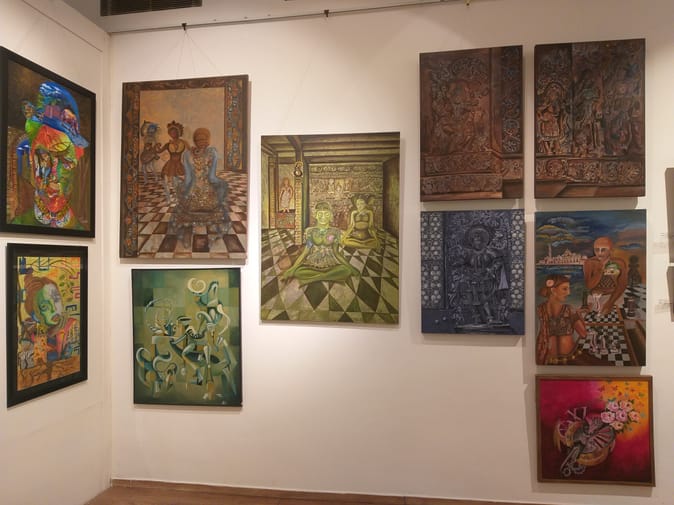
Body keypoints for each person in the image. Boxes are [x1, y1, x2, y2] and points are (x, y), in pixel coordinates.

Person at [13, 82, 89, 229]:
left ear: (76, 163)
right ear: (31, 160)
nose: (53, 176)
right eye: (43, 159)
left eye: (64, 161)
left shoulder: (79, 229)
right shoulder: (19, 224)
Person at [282, 201, 359, 285]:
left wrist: (351, 268)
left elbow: (336, 253)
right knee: (298, 272)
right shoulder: (310, 231)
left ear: (330, 216)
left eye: (326, 214)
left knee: (346, 270)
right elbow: (305, 253)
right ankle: (327, 276)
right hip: (312, 265)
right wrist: (292, 269)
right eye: (320, 214)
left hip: (331, 265)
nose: (323, 217)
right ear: (315, 215)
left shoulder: (335, 232)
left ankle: (317, 277)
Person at [19, 273, 79, 368]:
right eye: (45, 306)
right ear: (35, 315)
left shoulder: (71, 326)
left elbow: (72, 365)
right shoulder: (30, 329)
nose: (54, 309)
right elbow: (27, 367)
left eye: (56, 299)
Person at [536, 274, 587, 365]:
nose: (568, 293)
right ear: (553, 290)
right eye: (564, 289)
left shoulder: (540, 309)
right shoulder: (569, 310)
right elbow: (583, 334)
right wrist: (578, 314)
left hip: (548, 359)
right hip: (570, 358)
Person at [582, 236, 627, 315]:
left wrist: (610, 303)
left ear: (611, 250)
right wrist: (600, 269)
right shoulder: (589, 263)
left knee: (618, 317)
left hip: (614, 296)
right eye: (597, 250)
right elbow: (589, 286)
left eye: (603, 250)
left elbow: (622, 286)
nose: (599, 253)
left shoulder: (619, 263)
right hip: (594, 297)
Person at [156, 120, 189, 204]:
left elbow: (191, 150)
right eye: (171, 132)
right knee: (166, 182)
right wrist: (156, 146)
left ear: (178, 132)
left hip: (178, 165)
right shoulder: (168, 144)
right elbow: (159, 151)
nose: (172, 134)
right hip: (169, 165)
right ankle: (168, 199)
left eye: (174, 132)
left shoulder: (183, 143)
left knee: (176, 183)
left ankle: (178, 198)